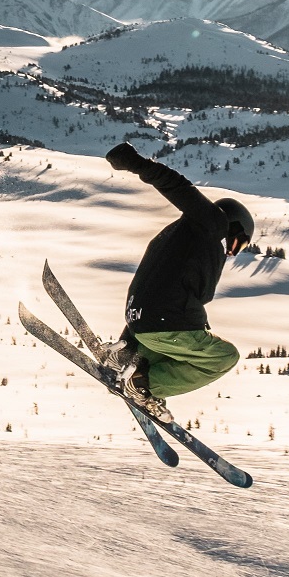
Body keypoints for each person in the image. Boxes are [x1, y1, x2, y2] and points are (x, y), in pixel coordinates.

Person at [103, 142, 253, 421]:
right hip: (164, 323)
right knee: (224, 357)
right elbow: (178, 187)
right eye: (239, 245)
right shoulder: (214, 223)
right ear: (235, 228)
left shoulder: (171, 237)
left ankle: (128, 357)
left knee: (187, 344)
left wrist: (129, 337)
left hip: (139, 324)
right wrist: (135, 163)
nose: (232, 253)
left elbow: (154, 286)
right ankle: (144, 384)